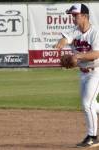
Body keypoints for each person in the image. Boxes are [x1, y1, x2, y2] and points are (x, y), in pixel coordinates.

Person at [54, 3, 99, 148]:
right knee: (92, 104)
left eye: (75, 15)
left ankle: (93, 137)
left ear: (85, 16)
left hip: (96, 72)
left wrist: (78, 56)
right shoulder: (74, 31)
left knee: (87, 104)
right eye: (72, 15)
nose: (73, 18)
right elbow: (66, 38)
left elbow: (96, 54)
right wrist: (61, 42)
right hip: (83, 73)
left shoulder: (95, 32)